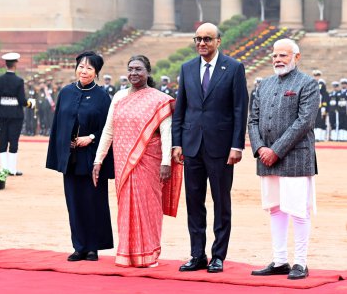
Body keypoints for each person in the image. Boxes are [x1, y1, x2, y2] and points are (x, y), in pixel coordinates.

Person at [172, 22, 249, 273]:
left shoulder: (234, 68)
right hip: (191, 147)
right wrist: (177, 142)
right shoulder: (187, 68)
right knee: (194, 203)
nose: (202, 43)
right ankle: (197, 255)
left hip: (221, 148)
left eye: (207, 39)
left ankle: (218, 256)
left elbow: (240, 109)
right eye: (198, 39)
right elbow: (180, 109)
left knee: (221, 202)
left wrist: (237, 145)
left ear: (218, 41)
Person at [93, 55, 183, 268]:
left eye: (138, 69)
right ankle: (127, 253)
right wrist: (98, 159)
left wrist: (166, 163)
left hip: (149, 162)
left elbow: (166, 133)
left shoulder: (159, 99)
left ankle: (149, 254)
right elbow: (108, 130)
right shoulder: (119, 97)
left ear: (148, 72)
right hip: (123, 162)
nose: (133, 73)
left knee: (148, 207)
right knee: (126, 207)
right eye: (130, 69)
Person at [248, 38, 319, 280]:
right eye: (275, 56)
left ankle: (300, 262)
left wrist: (275, 150)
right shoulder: (263, 85)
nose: (278, 60)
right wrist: (259, 148)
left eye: (284, 56)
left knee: (298, 210)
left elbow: (304, 122)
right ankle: (280, 260)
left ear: (296, 58)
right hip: (266, 158)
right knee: (275, 209)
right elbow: (253, 120)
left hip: (295, 157)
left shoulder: (308, 84)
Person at [46, 51, 115, 262]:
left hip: (92, 156)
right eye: (81, 67)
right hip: (71, 157)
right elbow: (58, 123)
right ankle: (79, 246)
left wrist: (92, 137)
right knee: (74, 202)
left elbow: (109, 126)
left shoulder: (103, 96)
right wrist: (61, 146)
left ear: (96, 73)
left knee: (93, 201)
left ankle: (93, 247)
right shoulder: (66, 92)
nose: (84, 71)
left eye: (89, 68)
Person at [0, 53, 35, 175]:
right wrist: (30, 104)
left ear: (5, 64)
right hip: (16, 115)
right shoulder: (19, 81)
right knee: (14, 141)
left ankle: (3, 169)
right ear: (15, 64)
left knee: (3, 140)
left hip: (2, 114)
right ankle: (12, 169)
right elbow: (22, 101)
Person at [312, 70, 329, 141]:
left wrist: (324, 107)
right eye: (315, 76)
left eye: (317, 76)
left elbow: (324, 95)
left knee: (319, 121)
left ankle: (318, 137)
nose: (316, 77)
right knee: (313, 122)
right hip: (313, 106)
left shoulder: (321, 84)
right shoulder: (312, 83)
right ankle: (314, 137)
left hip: (319, 106)